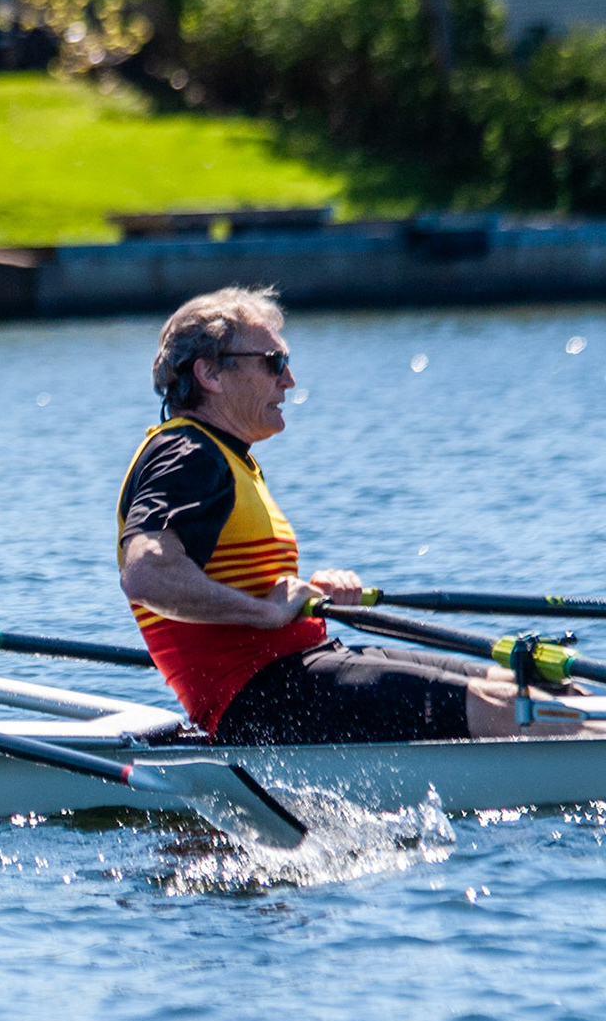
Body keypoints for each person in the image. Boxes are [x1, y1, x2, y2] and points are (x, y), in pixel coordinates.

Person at [117, 286, 592, 745]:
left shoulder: (222, 457)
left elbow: (235, 578)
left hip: (300, 667)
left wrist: (310, 590)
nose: (289, 379)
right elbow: (147, 574)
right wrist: (265, 612)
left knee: (546, 687)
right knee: (510, 704)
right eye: (273, 362)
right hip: (261, 699)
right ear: (210, 374)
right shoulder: (188, 454)